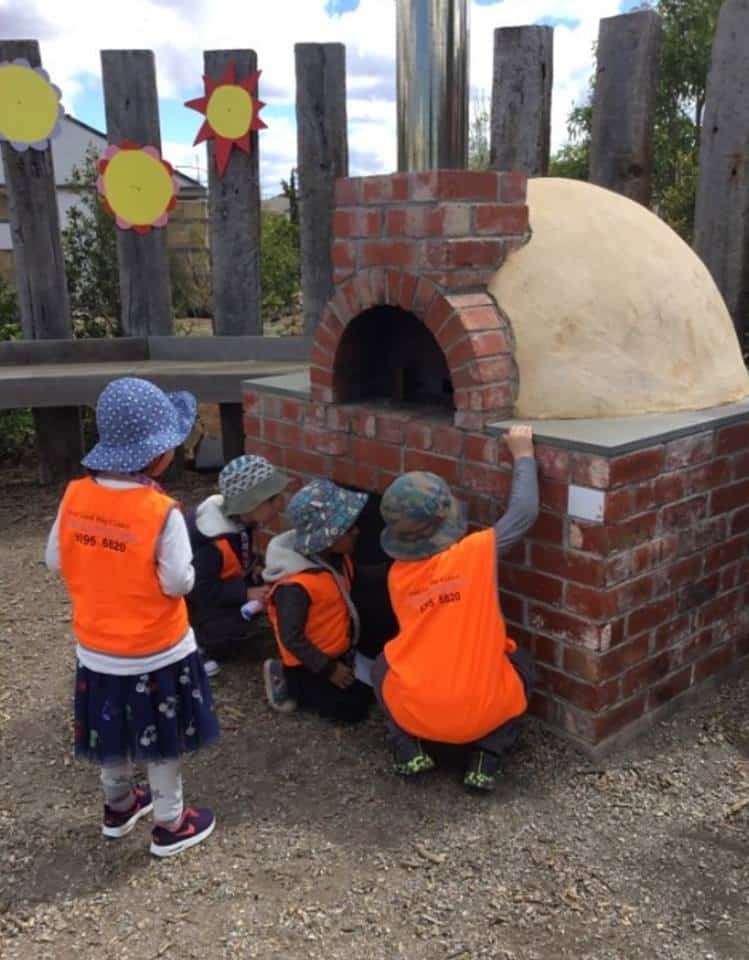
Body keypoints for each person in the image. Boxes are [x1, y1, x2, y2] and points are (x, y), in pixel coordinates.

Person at [45, 377, 218, 856]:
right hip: (157, 651)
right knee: (160, 738)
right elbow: (179, 582)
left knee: (112, 731)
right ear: (161, 456)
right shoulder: (160, 511)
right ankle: (170, 822)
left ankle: (119, 805)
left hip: (97, 651)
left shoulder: (75, 495)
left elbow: (55, 559)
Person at [373, 425, 539, 793]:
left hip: (419, 709)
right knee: (523, 668)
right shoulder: (476, 555)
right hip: (482, 711)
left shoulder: (398, 576)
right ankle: (487, 756)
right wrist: (523, 454)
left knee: (382, 666)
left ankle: (407, 748)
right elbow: (524, 512)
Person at [262, 479, 372, 722]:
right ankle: (283, 677)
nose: (356, 530)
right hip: (309, 663)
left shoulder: (336, 558)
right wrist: (330, 669)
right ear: (328, 539)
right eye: (348, 528)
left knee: (370, 690)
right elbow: (291, 636)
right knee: (352, 711)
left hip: (336, 647)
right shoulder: (295, 588)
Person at [186, 454, 289, 674]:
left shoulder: (239, 522)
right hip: (191, 605)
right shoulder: (210, 542)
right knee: (230, 630)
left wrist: (254, 567)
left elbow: (235, 558)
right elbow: (199, 589)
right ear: (250, 504)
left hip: (217, 586)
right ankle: (195, 645)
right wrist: (246, 593)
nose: (280, 504)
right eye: (272, 499)